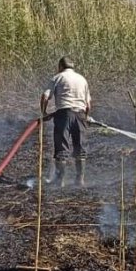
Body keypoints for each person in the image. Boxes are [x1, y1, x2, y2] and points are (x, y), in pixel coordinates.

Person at [40, 56, 91, 187]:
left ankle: (59, 180)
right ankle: (80, 180)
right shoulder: (82, 79)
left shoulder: (58, 77)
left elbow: (45, 96)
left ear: (60, 66)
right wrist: (86, 117)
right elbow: (88, 104)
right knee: (80, 147)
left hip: (63, 114)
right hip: (80, 114)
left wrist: (44, 113)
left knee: (61, 147)